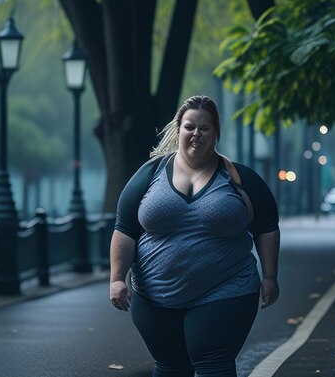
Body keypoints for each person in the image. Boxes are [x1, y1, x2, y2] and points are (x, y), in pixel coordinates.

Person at [109, 95, 281, 377]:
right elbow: (125, 227)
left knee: (213, 363)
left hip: (225, 291)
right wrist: (116, 278)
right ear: (179, 130)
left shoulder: (239, 178)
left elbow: (266, 225)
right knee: (170, 367)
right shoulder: (149, 174)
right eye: (189, 127)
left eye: (204, 128)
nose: (196, 134)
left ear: (216, 133)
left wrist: (270, 276)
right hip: (154, 295)